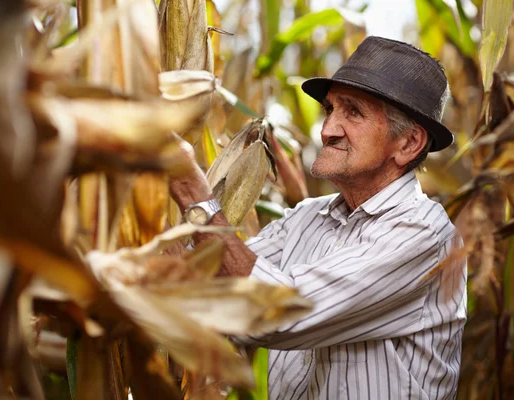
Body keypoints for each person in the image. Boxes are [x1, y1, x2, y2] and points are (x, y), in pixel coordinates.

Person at [170, 36, 467, 400]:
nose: (327, 130)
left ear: (407, 144)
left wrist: (192, 190)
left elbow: (275, 315)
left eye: (353, 112)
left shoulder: (425, 236)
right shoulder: (306, 219)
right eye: (330, 109)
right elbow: (204, 279)